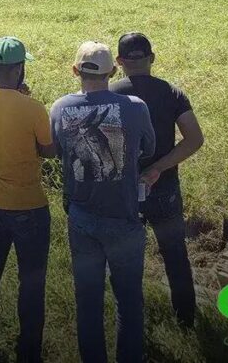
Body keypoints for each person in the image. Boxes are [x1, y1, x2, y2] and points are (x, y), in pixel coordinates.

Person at [50, 41, 155, 363]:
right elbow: (149, 149)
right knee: (129, 301)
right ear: (113, 71)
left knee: (88, 301)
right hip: (124, 217)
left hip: (81, 217)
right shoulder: (136, 107)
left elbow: (57, 151)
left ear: (75, 70)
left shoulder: (60, 108)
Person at [0, 37, 56, 362]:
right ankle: (28, 350)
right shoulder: (33, 108)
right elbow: (48, 151)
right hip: (30, 205)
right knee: (31, 281)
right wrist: (24, 102)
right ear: (19, 69)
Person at [110, 33, 204, 329]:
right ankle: (186, 321)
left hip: (124, 191)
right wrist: (159, 168)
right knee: (175, 254)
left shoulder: (111, 95)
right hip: (164, 188)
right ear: (152, 58)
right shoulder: (171, 93)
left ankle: (131, 321)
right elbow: (194, 139)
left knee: (126, 258)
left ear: (119, 62)